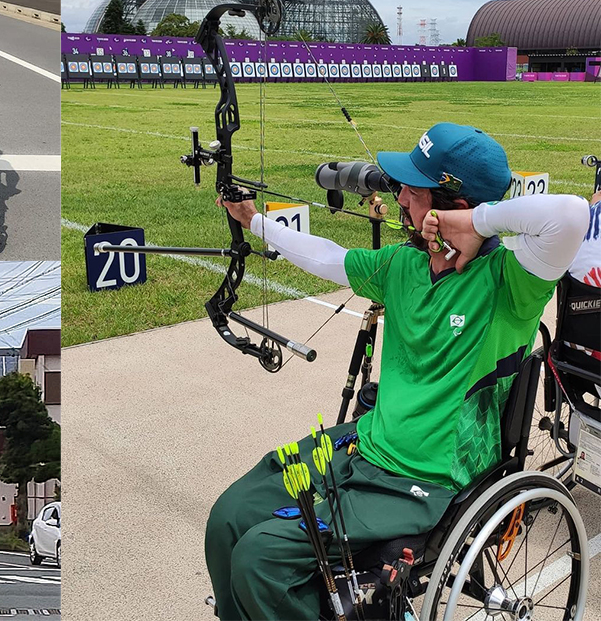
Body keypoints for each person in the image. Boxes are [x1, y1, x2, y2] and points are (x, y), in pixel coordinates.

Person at [204, 122, 590, 621]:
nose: (401, 197)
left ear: (455, 205)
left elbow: (571, 214)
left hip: (426, 482)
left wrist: (479, 223)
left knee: (262, 561)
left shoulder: (510, 282)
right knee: (228, 520)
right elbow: (329, 257)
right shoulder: (403, 267)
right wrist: (253, 221)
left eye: (414, 188)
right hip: (364, 447)